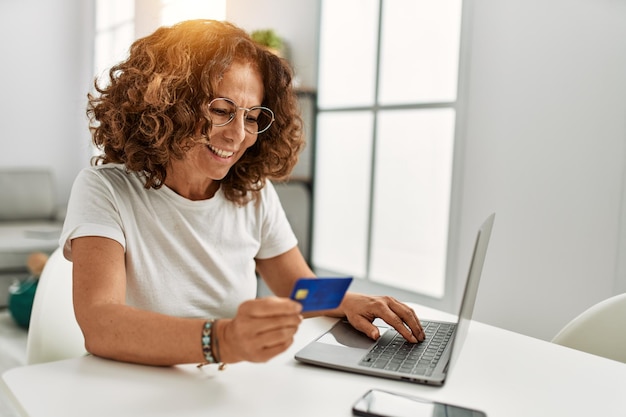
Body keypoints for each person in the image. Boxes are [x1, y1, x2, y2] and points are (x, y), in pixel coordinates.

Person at [61, 19, 425, 368]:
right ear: (167, 107)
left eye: (251, 117)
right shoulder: (105, 189)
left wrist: (350, 300)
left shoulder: (252, 193)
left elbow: (297, 287)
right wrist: (222, 340)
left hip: (224, 384)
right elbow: (101, 324)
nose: (238, 135)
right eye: (221, 110)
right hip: (131, 386)